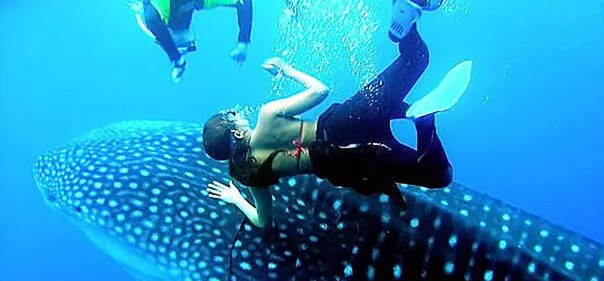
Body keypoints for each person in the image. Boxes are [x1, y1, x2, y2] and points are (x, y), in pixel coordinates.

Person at [203, 0, 461, 230]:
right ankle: (404, 9)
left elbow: (264, 222)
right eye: (230, 114)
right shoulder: (267, 115)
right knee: (416, 59)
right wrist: (287, 69)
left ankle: (423, 120)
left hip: (346, 163)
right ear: (235, 132)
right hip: (346, 121)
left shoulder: (250, 174)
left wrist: (235, 198)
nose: (235, 111)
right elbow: (320, 91)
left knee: (438, 176)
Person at [130, 0, 253, 83]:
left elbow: (243, 2)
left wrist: (243, 42)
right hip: (158, 16)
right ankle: (176, 48)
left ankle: (177, 48)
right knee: (181, 38)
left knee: (184, 38)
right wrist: (177, 59)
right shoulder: (156, 11)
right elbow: (153, 22)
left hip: (168, 17)